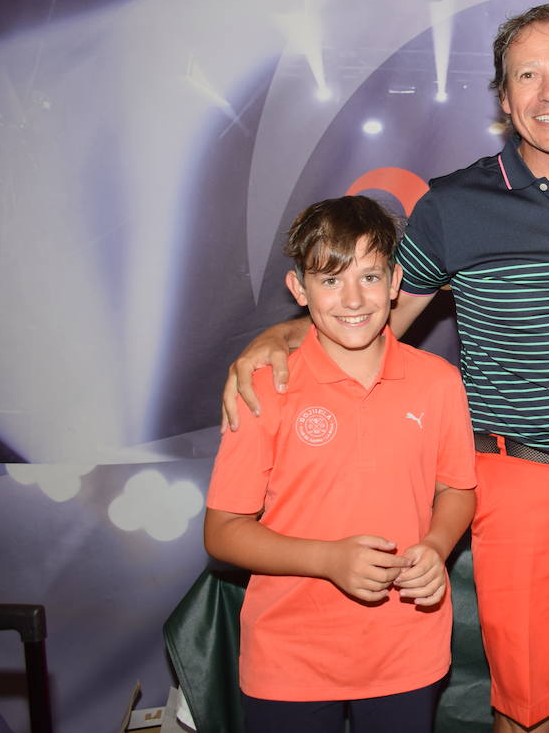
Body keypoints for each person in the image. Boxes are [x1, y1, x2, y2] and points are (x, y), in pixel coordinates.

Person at [223, 2, 549, 733]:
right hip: (512, 483)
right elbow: (368, 317)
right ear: (504, 97)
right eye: (527, 75)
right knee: (525, 706)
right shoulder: (453, 204)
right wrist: (281, 335)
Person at [205, 195, 477, 733]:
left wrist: (438, 545)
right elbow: (223, 532)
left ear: (397, 283)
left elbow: (457, 489)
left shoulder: (439, 383)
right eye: (330, 281)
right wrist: (328, 560)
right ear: (299, 290)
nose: (353, 298)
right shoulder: (263, 389)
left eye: (370, 277)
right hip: (291, 658)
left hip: (406, 652)